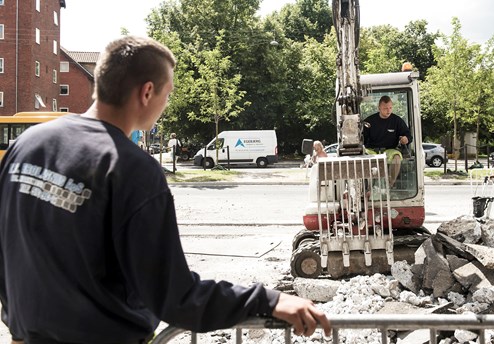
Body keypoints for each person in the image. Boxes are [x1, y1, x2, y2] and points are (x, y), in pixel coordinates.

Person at [0, 36, 330, 343]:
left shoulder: (28, 144)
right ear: (147, 93)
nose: (166, 104)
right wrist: (269, 300)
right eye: (167, 94)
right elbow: (176, 296)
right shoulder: (131, 169)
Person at [363, 95, 412, 187]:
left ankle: (390, 184)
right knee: (363, 158)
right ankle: (368, 186)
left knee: (397, 158)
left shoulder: (397, 121)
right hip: (371, 150)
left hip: (389, 150)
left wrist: (406, 139)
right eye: (385, 108)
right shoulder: (369, 121)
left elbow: (408, 136)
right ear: (379, 108)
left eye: (390, 108)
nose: (388, 110)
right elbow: (362, 138)